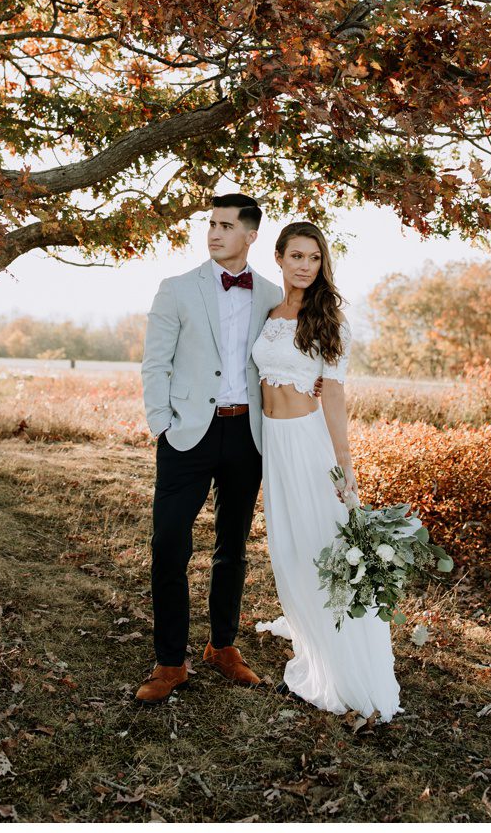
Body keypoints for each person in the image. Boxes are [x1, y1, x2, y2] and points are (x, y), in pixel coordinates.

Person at [136, 193, 283, 702]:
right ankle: (170, 662)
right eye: (211, 224)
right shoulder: (176, 289)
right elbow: (155, 363)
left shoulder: (271, 294)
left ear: (251, 235)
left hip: (248, 436)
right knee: (169, 545)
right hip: (187, 434)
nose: (214, 233)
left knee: (232, 548)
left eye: (225, 225)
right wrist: (162, 425)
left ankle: (223, 647)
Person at [251, 221, 399, 719]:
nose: (305, 266)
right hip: (273, 444)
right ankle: (307, 628)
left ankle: (344, 663)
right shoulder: (268, 311)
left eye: (314, 258)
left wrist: (345, 465)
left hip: (309, 445)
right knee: (288, 546)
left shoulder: (330, 318)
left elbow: (333, 393)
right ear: (279, 257)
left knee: (321, 544)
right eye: (296, 256)